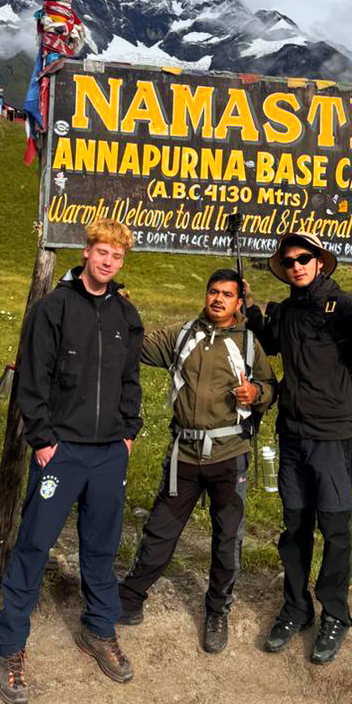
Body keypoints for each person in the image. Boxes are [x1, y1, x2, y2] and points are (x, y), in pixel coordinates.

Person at [0, 218, 144, 704]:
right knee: (34, 544)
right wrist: (42, 438)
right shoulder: (53, 309)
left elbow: (130, 379)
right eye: (102, 252)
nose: (108, 261)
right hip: (62, 451)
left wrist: (129, 432)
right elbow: (32, 379)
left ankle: (98, 629)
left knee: (101, 547)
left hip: (108, 454)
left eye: (117, 256)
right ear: (86, 252)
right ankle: (9, 645)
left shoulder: (125, 313)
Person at [245, 233, 352, 664]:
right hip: (293, 436)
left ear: (320, 262)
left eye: (305, 258)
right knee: (295, 528)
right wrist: (251, 311)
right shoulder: (289, 311)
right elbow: (271, 341)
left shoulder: (345, 307)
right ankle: (297, 608)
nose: (297, 265)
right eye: (290, 260)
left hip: (332, 437)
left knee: (335, 531)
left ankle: (336, 613)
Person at [118, 269, 277, 653]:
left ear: (240, 301)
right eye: (213, 292)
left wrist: (255, 391)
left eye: (227, 294)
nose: (218, 299)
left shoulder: (249, 342)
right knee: (160, 529)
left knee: (227, 539)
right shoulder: (182, 335)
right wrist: (120, 307)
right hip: (184, 455)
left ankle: (217, 611)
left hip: (230, 454)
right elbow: (135, 343)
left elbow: (271, 390)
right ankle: (130, 600)